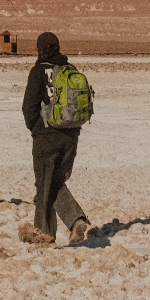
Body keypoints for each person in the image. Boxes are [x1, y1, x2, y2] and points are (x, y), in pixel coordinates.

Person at [20, 31, 92, 245]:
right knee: (55, 181)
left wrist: (35, 128)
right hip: (71, 134)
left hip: (46, 135)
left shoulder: (38, 72)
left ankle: (46, 234)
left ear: (39, 50)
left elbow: (29, 107)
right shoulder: (70, 70)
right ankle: (69, 223)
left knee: (44, 183)